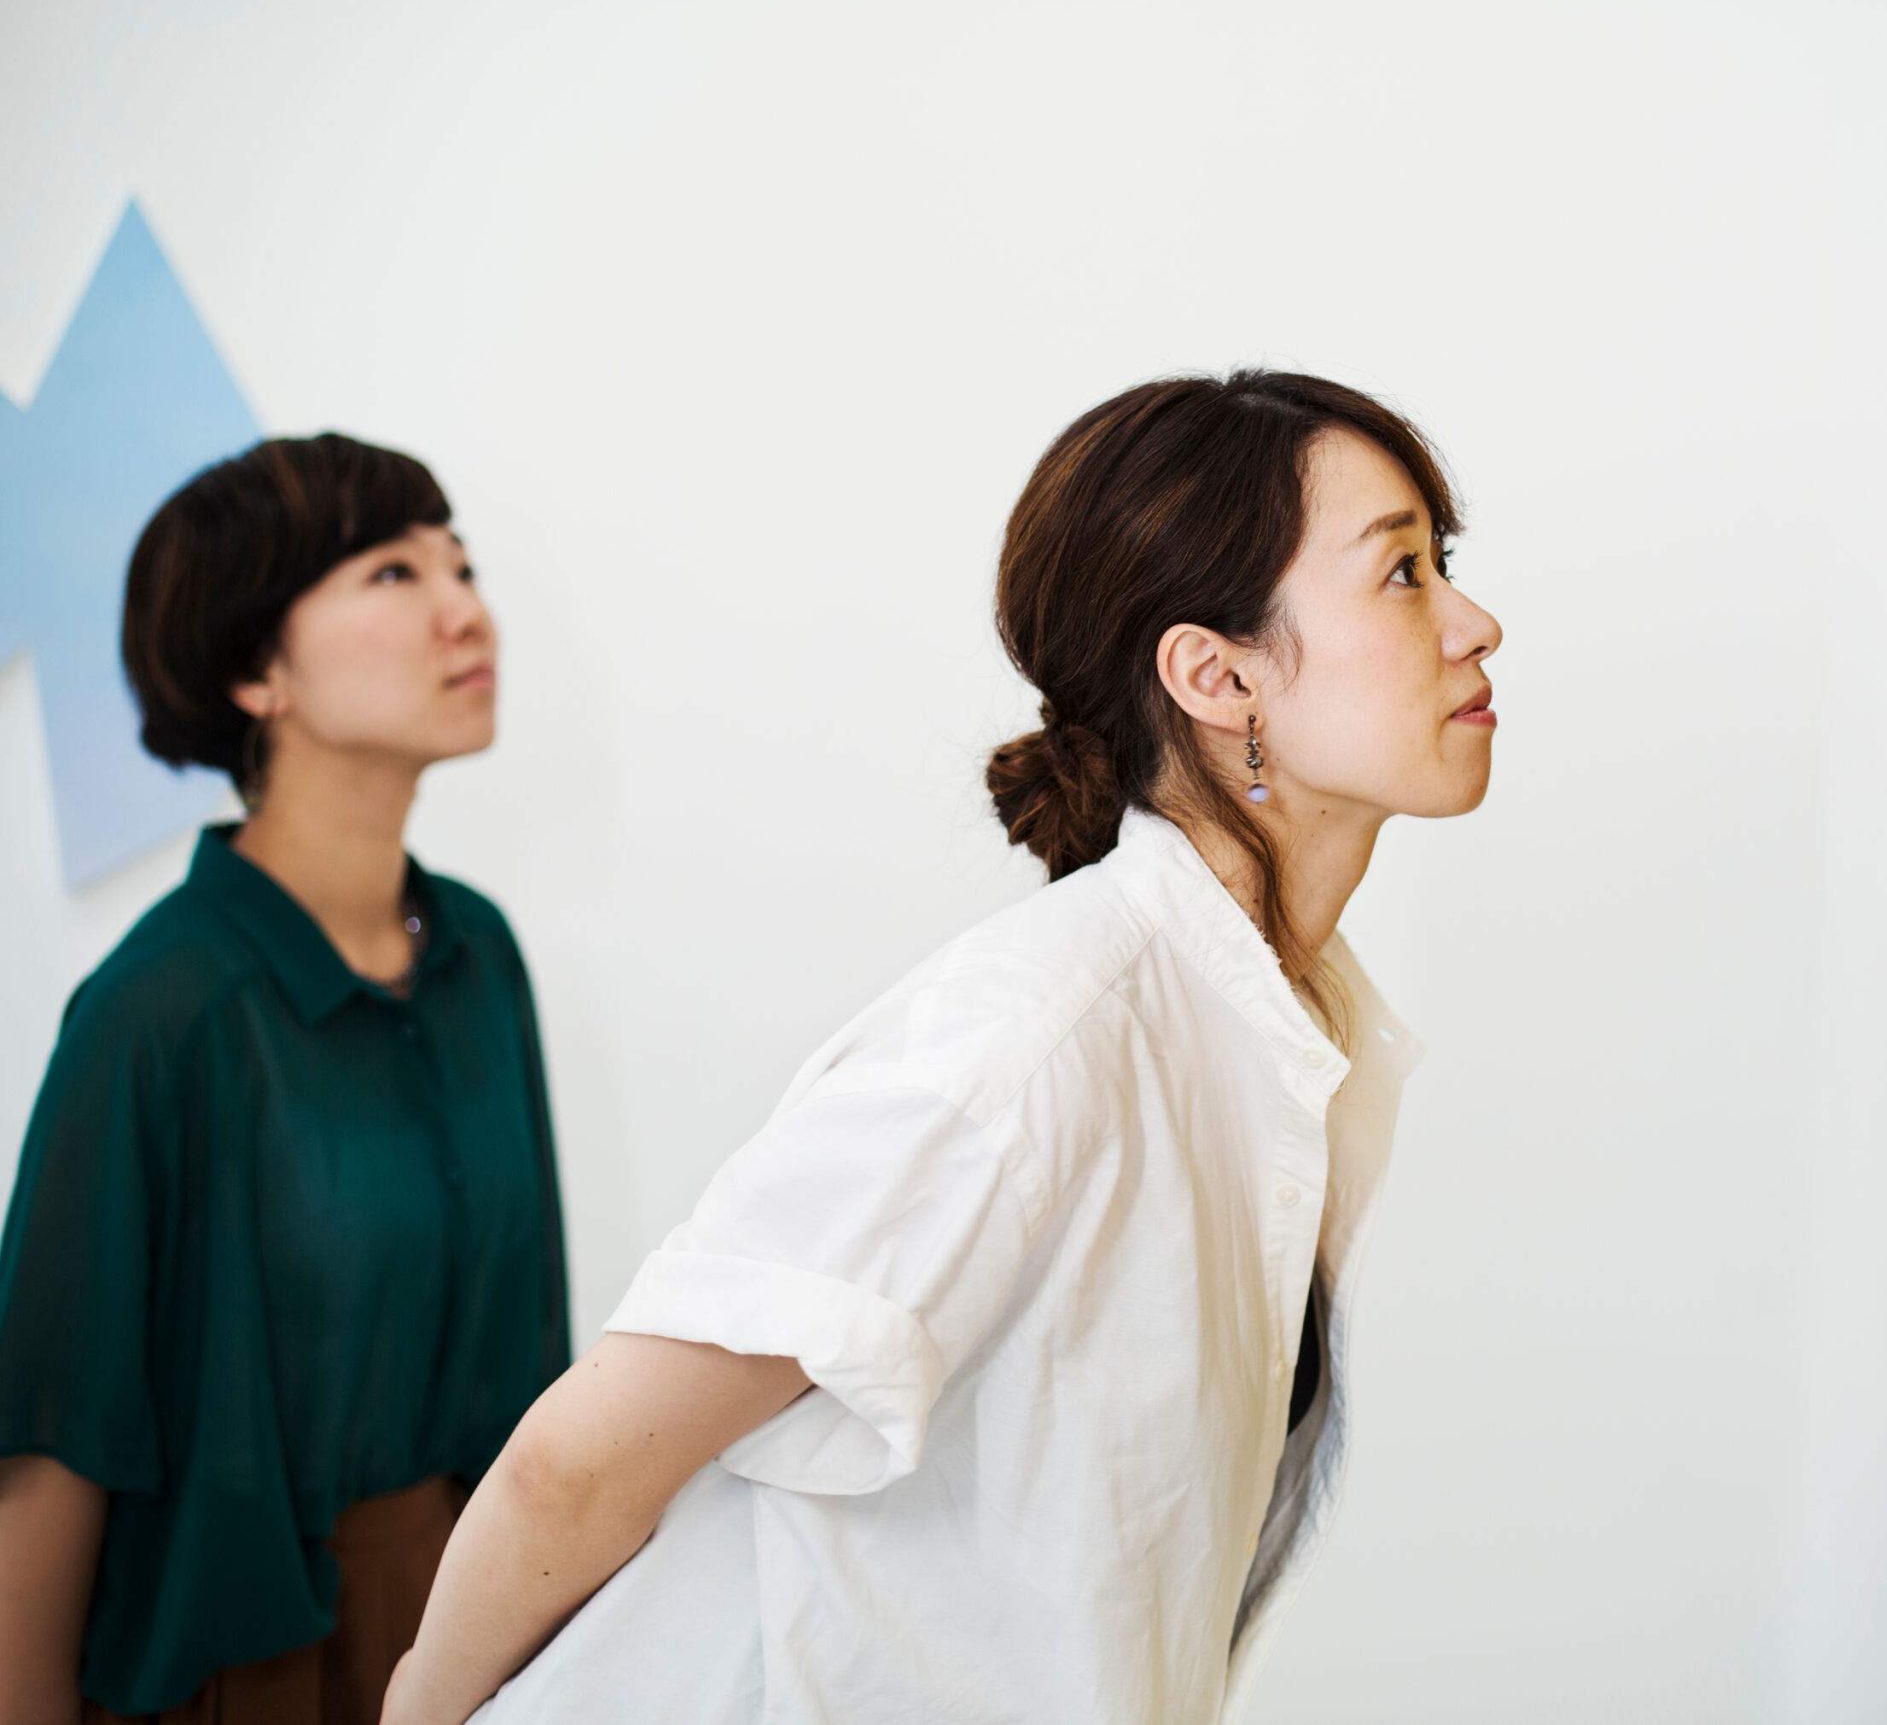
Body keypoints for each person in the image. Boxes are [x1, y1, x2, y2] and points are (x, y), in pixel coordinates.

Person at [385, 367, 1504, 1725]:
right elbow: (579, 1463)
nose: (1475, 623)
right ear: (1216, 675)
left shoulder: (1300, 1035)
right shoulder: (1036, 1040)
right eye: (1400, 574)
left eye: (1442, 563)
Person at [0, 434, 570, 1725]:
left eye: (461, 563)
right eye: (390, 573)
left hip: (482, 1640)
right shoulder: (160, 1009)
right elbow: (53, 1439)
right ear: (257, 669)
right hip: (253, 1670)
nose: (463, 607)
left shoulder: (477, 952)